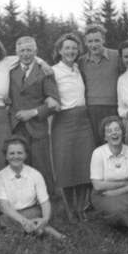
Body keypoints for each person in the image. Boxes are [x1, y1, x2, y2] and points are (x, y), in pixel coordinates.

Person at [0, 35, 53, 166]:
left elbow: (25, 55)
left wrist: (42, 63)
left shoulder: (5, 64)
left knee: (2, 152)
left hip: (1, 116)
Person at [79, 25, 128, 147]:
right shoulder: (81, 62)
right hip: (92, 110)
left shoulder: (116, 56)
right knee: (97, 144)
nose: (94, 44)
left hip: (113, 108)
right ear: (85, 42)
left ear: (103, 39)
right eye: (90, 41)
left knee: (117, 143)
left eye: (97, 40)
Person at [8, 36, 60, 195]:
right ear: (16, 52)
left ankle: (47, 200)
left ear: (35, 52)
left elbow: (54, 104)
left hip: (37, 127)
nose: (25, 54)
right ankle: (22, 199)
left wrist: (33, 113)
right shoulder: (10, 71)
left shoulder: (45, 71)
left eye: (29, 50)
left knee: (41, 166)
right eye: (22, 50)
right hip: (16, 126)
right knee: (19, 165)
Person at [50, 33, 94, 221]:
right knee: (65, 165)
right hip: (63, 120)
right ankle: (70, 209)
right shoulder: (52, 71)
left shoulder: (78, 68)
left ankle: (81, 207)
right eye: (66, 48)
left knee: (84, 164)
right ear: (59, 51)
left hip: (83, 120)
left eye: (74, 48)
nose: (70, 51)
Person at [0, 135, 66, 241]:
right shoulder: (0, 176)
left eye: (20, 153)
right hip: (11, 214)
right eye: (11, 153)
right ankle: (45, 231)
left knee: (36, 216)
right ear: (6, 156)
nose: (16, 156)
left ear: (26, 155)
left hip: (32, 212)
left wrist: (45, 219)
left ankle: (35, 229)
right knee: (5, 220)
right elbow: (4, 206)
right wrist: (24, 221)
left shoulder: (35, 174)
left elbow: (44, 201)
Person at [89, 116, 128, 228]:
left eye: (117, 129)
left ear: (123, 133)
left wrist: (119, 190)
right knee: (120, 210)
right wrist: (126, 183)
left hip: (127, 191)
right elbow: (98, 186)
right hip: (104, 194)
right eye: (109, 131)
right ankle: (127, 222)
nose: (114, 133)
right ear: (105, 136)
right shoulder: (98, 153)